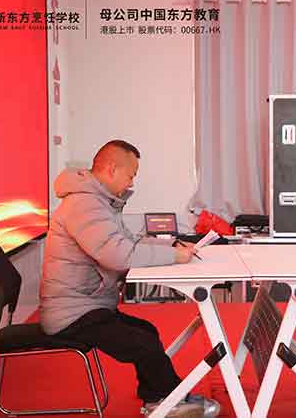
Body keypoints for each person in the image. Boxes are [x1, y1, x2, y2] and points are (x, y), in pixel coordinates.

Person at [40, 140, 219, 418]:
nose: (132, 182)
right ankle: (167, 402)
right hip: (72, 313)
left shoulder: (98, 202)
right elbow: (119, 254)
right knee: (142, 343)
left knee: (146, 332)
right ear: (112, 169)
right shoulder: (85, 204)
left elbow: (128, 241)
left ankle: (159, 397)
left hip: (87, 305)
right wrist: (174, 256)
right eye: (131, 174)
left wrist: (171, 247)